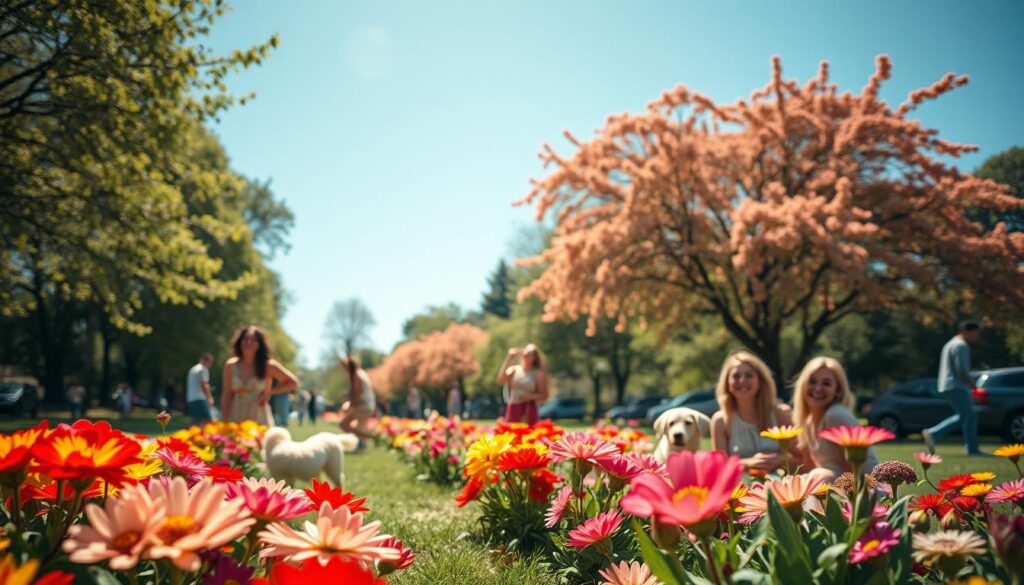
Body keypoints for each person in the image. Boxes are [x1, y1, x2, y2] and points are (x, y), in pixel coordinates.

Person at [793, 356, 879, 481]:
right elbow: (808, 467)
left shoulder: (835, 416)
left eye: (826, 383)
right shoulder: (807, 422)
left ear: (838, 391)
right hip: (835, 487)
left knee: (819, 476)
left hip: (866, 492)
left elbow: (851, 471)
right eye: (812, 381)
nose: (817, 388)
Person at [710, 350, 796, 473]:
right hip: (740, 488)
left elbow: (803, 459)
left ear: (760, 380)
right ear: (727, 382)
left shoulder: (781, 413)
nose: (742, 381)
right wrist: (746, 463)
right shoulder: (720, 421)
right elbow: (719, 466)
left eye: (749, 375)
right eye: (736, 376)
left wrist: (779, 460)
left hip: (779, 485)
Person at [923, 321, 985, 456]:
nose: (976, 336)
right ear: (965, 331)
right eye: (975, 333)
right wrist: (973, 385)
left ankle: (971, 448)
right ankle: (934, 433)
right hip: (957, 385)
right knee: (968, 415)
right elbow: (961, 369)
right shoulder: (961, 345)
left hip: (948, 385)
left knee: (967, 416)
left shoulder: (950, 343)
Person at [222, 325, 300, 426]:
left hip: (259, 417)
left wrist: (270, 392)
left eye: (253, 339)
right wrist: (224, 420)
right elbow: (227, 395)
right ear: (240, 342)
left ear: (259, 344)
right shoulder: (231, 365)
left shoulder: (268, 365)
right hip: (236, 417)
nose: (248, 342)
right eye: (245, 339)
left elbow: (293, 382)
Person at [496, 343, 549, 425]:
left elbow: (544, 395)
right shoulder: (514, 369)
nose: (526, 353)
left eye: (529, 353)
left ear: (534, 358)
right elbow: (501, 381)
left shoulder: (537, 373)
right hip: (513, 407)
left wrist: (528, 396)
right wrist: (509, 358)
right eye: (525, 351)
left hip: (528, 409)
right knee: (511, 433)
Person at [338, 356, 375, 447]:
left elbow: (357, 395)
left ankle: (370, 437)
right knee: (360, 426)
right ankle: (362, 443)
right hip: (369, 405)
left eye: (344, 367)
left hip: (363, 405)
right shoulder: (361, 373)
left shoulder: (356, 376)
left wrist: (348, 406)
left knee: (344, 424)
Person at [186, 353, 216, 425]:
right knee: (208, 421)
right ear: (207, 361)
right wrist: (209, 398)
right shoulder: (203, 369)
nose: (210, 365)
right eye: (210, 363)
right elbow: (204, 385)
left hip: (191, 399)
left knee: (195, 422)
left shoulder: (193, 369)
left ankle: (185, 434)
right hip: (199, 399)